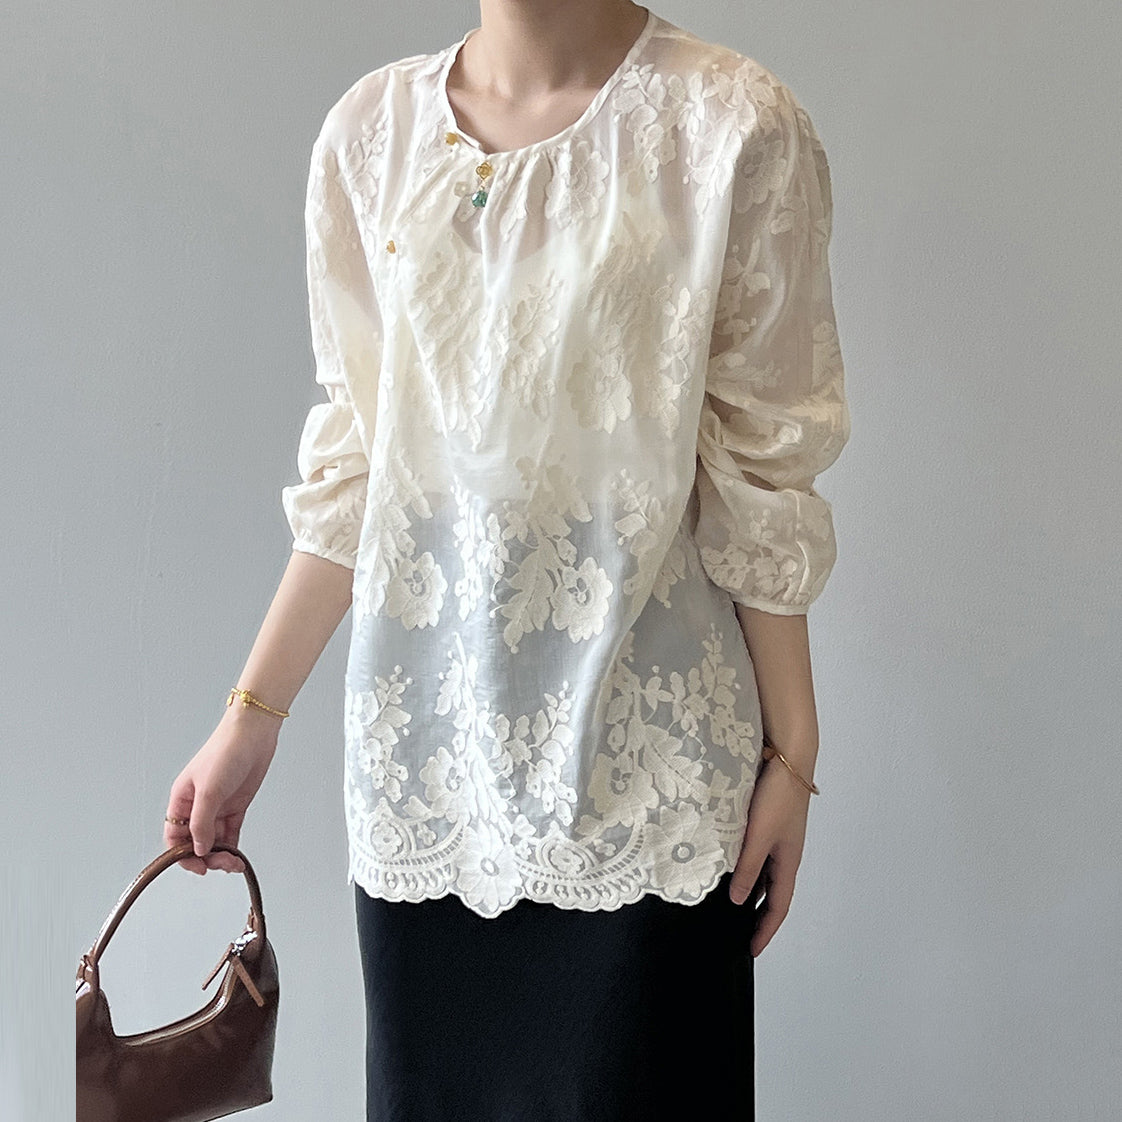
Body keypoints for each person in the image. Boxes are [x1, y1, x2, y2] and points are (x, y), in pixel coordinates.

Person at [163, 2, 850, 1118]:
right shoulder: (371, 133)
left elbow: (763, 468)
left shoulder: (731, 125)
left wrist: (794, 751)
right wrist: (251, 716)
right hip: (427, 776)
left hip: (648, 776)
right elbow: (362, 465)